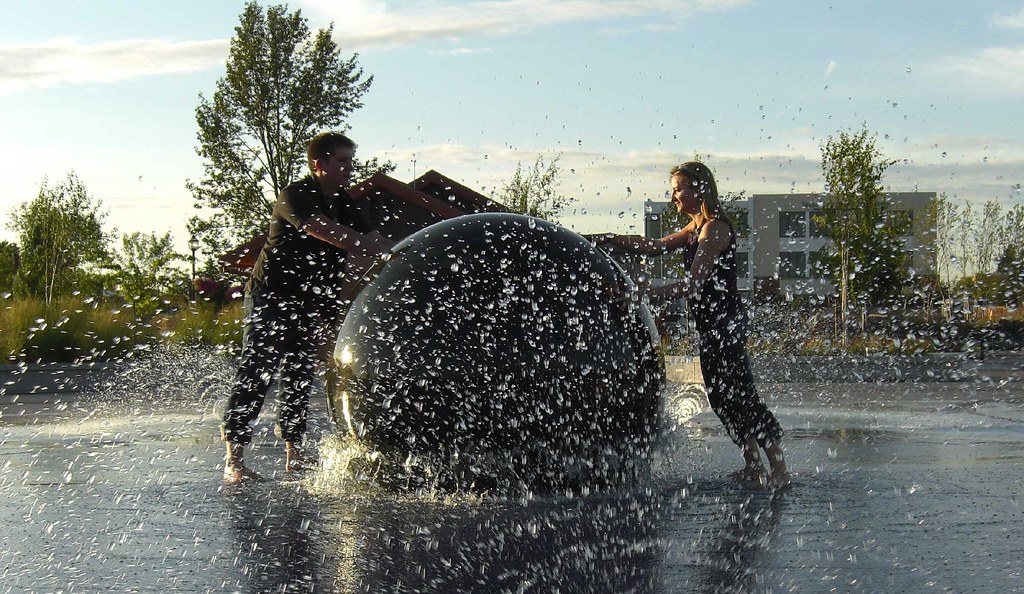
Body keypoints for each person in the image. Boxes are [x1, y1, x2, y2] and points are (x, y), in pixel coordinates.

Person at [596, 161, 790, 487]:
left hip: (726, 325)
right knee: (720, 397)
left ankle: (779, 469)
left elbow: (693, 284)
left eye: (678, 189)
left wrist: (643, 295)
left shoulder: (715, 229)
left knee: (741, 394)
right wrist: (609, 238)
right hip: (711, 327)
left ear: (698, 189)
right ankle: (753, 465)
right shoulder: (693, 228)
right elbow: (653, 247)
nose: (673, 197)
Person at [221, 132, 393, 484]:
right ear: (319, 165)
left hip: (312, 302)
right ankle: (234, 460)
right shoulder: (294, 196)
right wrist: (372, 249)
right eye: (342, 161)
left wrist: (406, 251)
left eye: (350, 160)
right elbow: (323, 231)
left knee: (300, 376)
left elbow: (374, 239)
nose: (349, 168)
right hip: (271, 297)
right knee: (258, 373)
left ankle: (293, 457)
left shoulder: (344, 202)